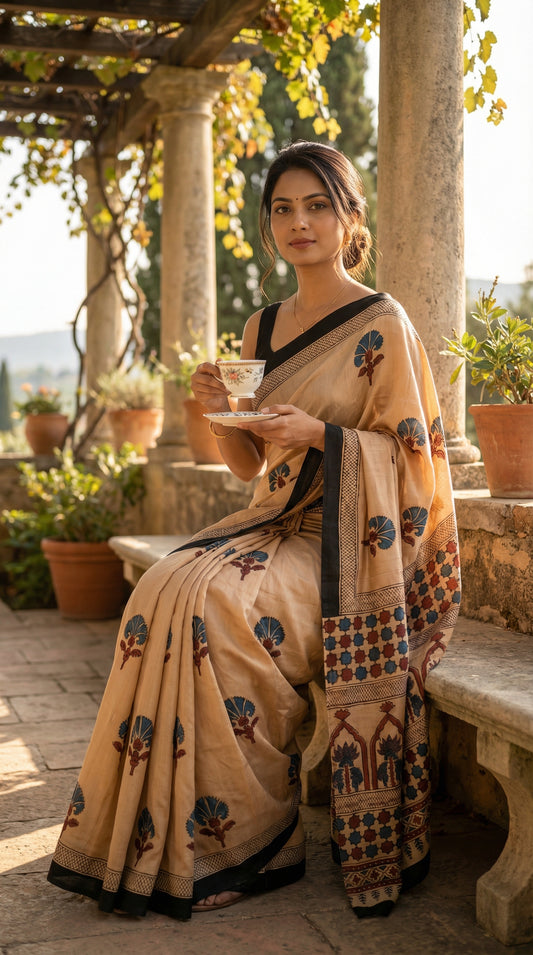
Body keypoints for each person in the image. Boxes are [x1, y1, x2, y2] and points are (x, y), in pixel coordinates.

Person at [47, 141, 460, 920]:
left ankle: (261, 840)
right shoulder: (260, 327)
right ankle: (176, 830)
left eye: (315, 206)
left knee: (220, 608)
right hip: (270, 520)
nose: (297, 222)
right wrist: (214, 409)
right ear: (268, 224)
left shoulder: (383, 322)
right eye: (282, 208)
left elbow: (416, 464)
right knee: (163, 587)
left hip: (348, 548)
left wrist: (322, 437)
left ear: (349, 218)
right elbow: (244, 463)